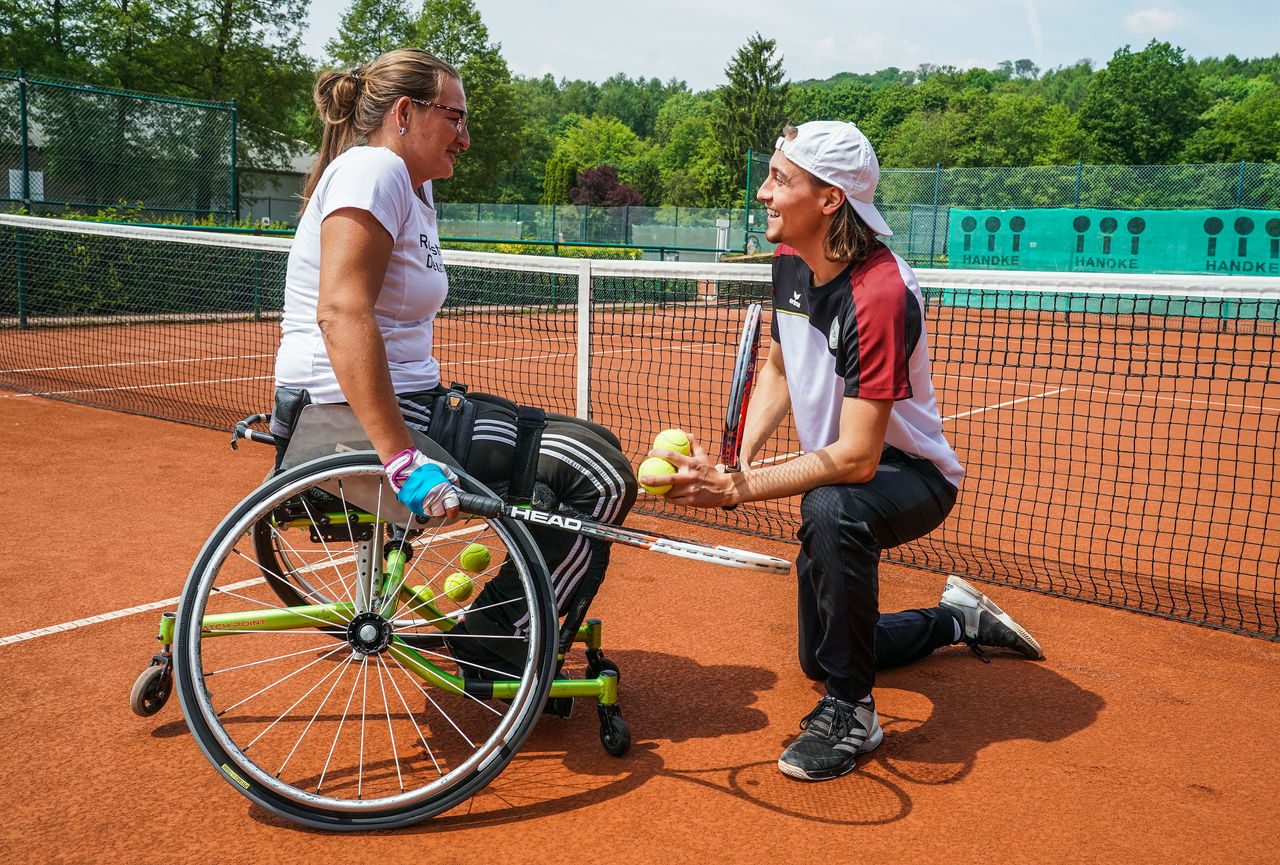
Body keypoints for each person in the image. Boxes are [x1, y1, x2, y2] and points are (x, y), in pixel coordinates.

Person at [641, 121, 1043, 782]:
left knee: (831, 508)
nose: (764, 192)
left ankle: (854, 712)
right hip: (847, 467)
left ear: (830, 200)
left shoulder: (880, 295)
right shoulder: (791, 262)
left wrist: (737, 489)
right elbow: (777, 365)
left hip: (909, 474)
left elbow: (858, 458)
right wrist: (735, 457)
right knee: (819, 655)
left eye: (780, 179)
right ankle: (954, 619)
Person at [271, 48, 637, 680]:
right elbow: (341, 313)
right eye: (455, 118)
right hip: (343, 423)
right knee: (597, 474)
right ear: (406, 113)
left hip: (411, 401)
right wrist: (401, 458)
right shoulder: (373, 170)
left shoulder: (412, 184)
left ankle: (503, 627)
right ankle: (498, 645)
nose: (465, 137)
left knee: (592, 445)